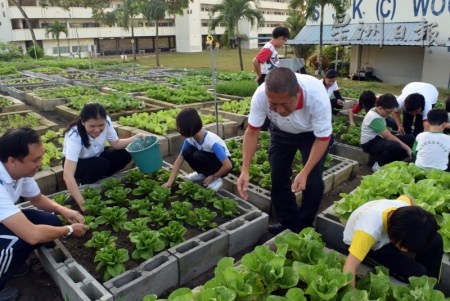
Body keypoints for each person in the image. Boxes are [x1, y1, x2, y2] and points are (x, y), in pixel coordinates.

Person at [237, 67, 332, 234]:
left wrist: (305, 171)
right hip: (281, 132)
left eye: (284, 104)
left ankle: (305, 224)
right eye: (273, 104)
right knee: (278, 176)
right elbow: (252, 132)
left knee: (312, 181)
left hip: (311, 136)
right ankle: (289, 223)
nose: (279, 110)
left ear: (298, 94)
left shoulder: (317, 97)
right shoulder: (260, 95)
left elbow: (323, 139)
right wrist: (245, 170)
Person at [0, 128, 88, 300]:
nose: (40, 163)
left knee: (52, 221)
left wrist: (64, 210)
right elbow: (32, 235)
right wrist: (69, 230)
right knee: (15, 244)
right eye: (36, 159)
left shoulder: (21, 171)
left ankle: (13, 264)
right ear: (13, 161)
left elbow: (37, 199)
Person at [343, 195, 443, 287]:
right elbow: (349, 266)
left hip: (387, 237)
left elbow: (407, 197)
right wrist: (353, 295)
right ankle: (417, 279)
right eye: (405, 247)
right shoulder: (368, 231)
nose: (406, 250)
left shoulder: (404, 209)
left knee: (436, 239)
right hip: (370, 247)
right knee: (418, 274)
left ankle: (430, 284)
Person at [62, 103, 142, 210]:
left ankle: (100, 178)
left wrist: (136, 137)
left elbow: (116, 144)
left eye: (101, 125)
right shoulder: (74, 135)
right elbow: (67, 175)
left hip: (97, 157)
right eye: (92, 126)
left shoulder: (107, 122)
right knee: (100, 164)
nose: (97, 130)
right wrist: (82, 204)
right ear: (83, 122)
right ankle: (85, 184)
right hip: (78, 164)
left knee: (124, 155)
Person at [162, 108, 233, 191]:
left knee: (198, 155)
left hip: (222, 166)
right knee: (187, 152)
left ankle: (217, 179)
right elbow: (179, 160)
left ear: (189, 126)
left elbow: (228, 165)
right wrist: (169, 182)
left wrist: (214, 176)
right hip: (210, 161)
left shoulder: (211, 141)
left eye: (180, 127)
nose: (178, 129)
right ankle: (203, 174)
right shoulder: (190, 139)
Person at [360, 94, 414, 172]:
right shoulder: (373, 118)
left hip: (379, 139)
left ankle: (400, 161)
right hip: (369, 143)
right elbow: (388, 136)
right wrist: (407, 148)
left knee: (410, 138)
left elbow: (387, 133)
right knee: (395, 145)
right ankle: (378, 165)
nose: (389, 114)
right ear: (380, 108)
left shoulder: (378, 110)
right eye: (389, 112)